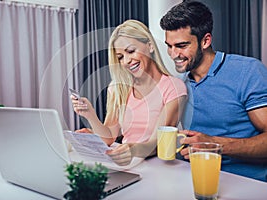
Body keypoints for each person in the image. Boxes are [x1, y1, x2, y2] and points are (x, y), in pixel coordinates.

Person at [160, 1, 267, 182]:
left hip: (246, 183)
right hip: (194, 179)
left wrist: (214, 144)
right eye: (169, 46)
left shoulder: (247, 71)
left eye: (181, 46)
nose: (173, 54)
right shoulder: (179, 84)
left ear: (205, 41)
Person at [71, 19, 187, 166]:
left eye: (131, 51)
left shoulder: (173, 87)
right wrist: (90, 115)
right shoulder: (117, 88)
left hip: (159, 166)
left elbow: (157, 143)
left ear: (150, 46)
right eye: (120, 57)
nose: (126, 61)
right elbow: (109, 137)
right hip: (126, 163)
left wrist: (132, 150)